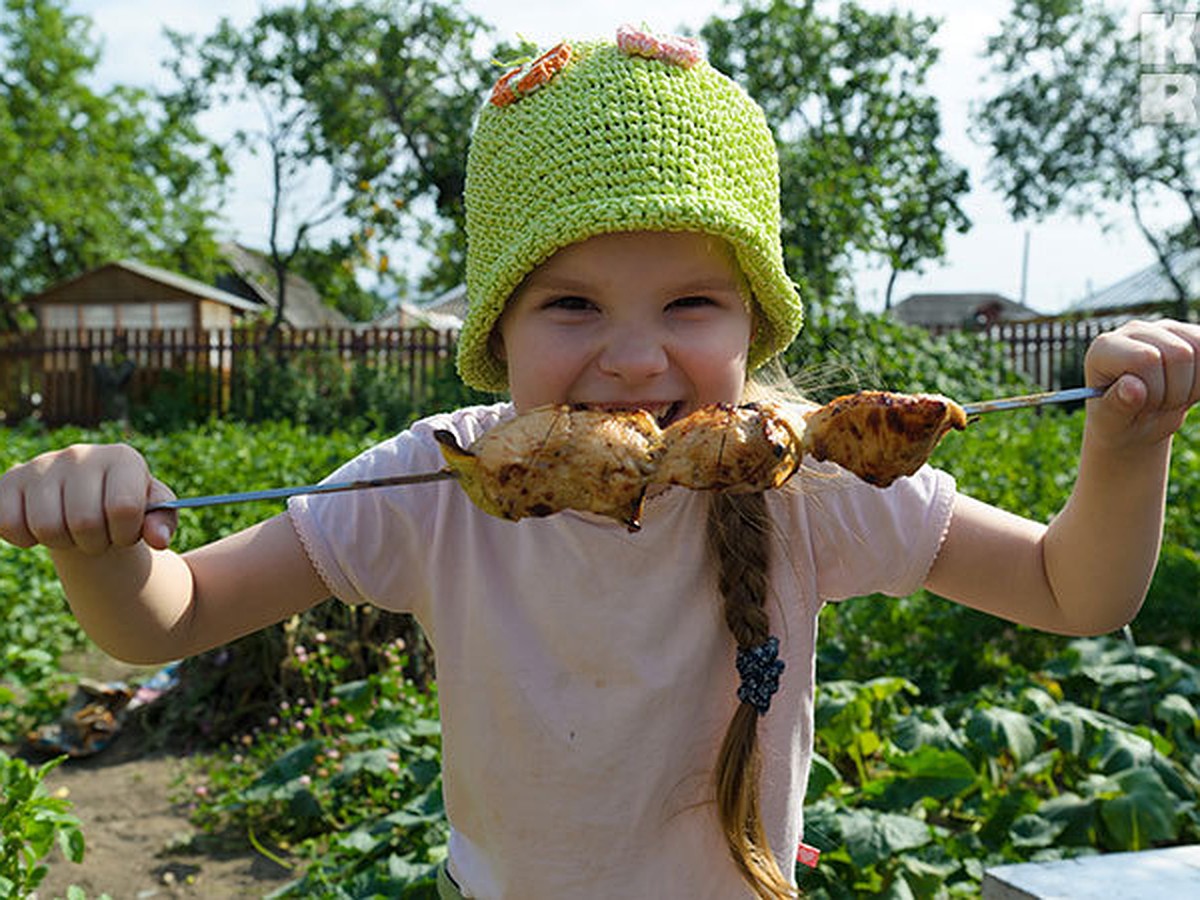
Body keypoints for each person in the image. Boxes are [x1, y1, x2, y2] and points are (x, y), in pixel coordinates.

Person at [1, 27, 1198, 900]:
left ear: (752, 325)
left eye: (688, 300)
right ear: (498, 336)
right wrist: (99, 542)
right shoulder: (441, 487)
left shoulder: (811, 486)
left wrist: (1127, 446)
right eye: (571, 304)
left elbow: (1069, 591)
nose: (634, 360)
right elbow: (174, 617)